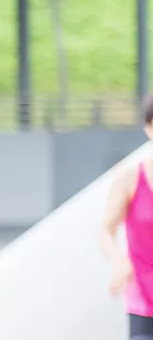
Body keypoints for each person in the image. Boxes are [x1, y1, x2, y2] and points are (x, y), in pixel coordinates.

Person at [100, 94, 153, 340]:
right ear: (148, 127)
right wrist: (119, 261)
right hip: (142, 297)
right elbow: (105, 230)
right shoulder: (130, 178)